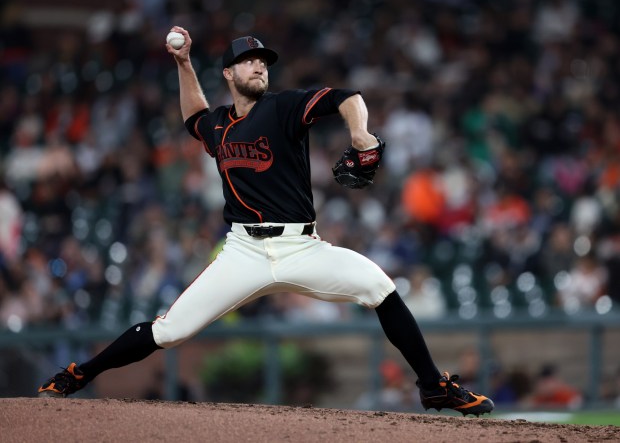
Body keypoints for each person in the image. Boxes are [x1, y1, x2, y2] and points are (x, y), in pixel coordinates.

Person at [37, 27, 494, 417]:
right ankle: (77, 374)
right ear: (229, 74)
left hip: (302, 248)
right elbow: (194, 116)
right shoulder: (218, 126)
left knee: (381, 289)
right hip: (243, 252)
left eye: (262, 61)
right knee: (169, 332)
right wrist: (183, 63)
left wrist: (360, 132)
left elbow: (346, 97)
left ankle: (433, 386)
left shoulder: (285, 107)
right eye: (247, 61)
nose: (258, 67)